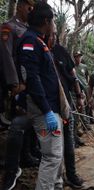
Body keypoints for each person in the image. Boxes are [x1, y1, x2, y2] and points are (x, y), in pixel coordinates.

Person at [17, 2, 64, 189]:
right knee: (51, 156)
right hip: (44, 111)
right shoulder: (30, 41)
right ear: (46, 20)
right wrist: (46, 111)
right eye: (52, 21)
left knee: (56, 154)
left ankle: (57, 186)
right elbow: (32, 78)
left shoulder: (39, 40)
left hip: (51, 108)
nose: (54, 25)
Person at [0, 1, 42, 189]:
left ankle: (28, 155)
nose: (31, 11)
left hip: (31, 83)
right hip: (17, 84)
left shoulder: (29, 29)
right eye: (29, 7)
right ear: (19, 6)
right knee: (17, 122)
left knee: (29, 120)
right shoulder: (8, 27)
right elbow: (6, 55)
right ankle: (12, 168)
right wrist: (14, 82)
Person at [48, 30, 84, 188]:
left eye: (56, 34)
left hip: (66, 103)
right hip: (49, 106)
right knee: (53, 146)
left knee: (68, 139)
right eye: (51, 33)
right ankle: (57, 180)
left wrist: (79, 95)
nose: (53, 37)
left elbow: (72, 73)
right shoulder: (39, 49)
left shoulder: (60, 51)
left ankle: (71, 174)